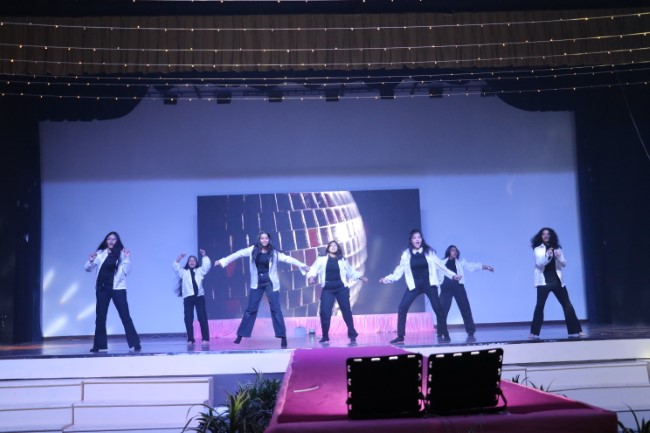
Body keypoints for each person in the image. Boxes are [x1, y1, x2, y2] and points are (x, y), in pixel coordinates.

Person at [214, 232, 309, 348]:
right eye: (262, 238)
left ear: (269, 240)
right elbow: (237, 254)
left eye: (266, 238)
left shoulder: (274, 253)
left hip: (270, 283)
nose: (264, 240)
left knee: (276, 309)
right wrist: (222, 261)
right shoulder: (252, 250)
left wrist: (303, 265)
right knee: (251, 309)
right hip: (257, 283)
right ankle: (240, 335)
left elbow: (289, 259)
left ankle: (282, 337)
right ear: (259, 239)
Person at [379, 229, 461, 344]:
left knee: (438, 308)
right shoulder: (406, 254)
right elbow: (399, 270)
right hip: (415, 285)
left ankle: (445, 333)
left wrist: (453, 275)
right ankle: (400, 336)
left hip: (429, 284)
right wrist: (388, 278)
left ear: (421, 239)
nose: (417, 240)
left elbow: (440, 266)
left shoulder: (429, 252)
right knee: (402, 307)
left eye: (419, 237)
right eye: (414, 238)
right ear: (411, 240)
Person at [84, 231, 141, 353]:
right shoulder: (100, 254)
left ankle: (135, 343)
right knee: (100, 317)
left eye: (113, 239)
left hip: (118, 288)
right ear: (106, 241)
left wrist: (127, 258)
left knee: (125, 315)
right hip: (102, 289)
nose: (111, 241)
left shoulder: (122, 254)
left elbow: (127, 271)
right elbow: (88, 269)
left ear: (117, 241)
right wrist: (90, 261)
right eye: (109, 239)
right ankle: (97, 345)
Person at [307, 240, 368, 345]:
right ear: (328, 248)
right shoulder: (321, 259)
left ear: (338, 248)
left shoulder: (342, 260)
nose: (333, 247)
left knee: (346, 311)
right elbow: (313, 269)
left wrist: (361, 277)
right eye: (331, 245)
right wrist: (311, 277)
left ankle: (352, 333)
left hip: (341, 289)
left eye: (335, 245)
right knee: (325, 312)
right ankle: (325, 336)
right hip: (328, 289)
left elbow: (350, 272)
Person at [529, 227, 585, 339]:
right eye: (543, 234)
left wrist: (559, 257)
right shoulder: (537, 249)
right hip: (543, 282)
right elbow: (540, 264)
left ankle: (577, 330)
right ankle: (533, 332)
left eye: (548, 234)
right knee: (539, 306)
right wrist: (548, 255)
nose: (546, 236)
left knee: (567, 305)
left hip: (557, 281)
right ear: (541, 236)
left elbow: (564, 264)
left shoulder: (557, 248)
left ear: (551, 236)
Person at [437, 245, 494, 342]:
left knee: (465, 308)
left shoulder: (460, 262)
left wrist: (487, 267)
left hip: (458, 286)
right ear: (448, 252)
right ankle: (440, 331)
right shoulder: (441, 262)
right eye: (452, 250)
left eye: (456, 251)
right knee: (442, 310)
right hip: (445, 287)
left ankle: (470, 330)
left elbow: (473, 266)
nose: (455, 252)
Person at [173, 248, 211, 348]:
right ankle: (190, 339)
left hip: (199, 297)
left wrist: (204, 255)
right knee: (188, 319)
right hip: (188, 298)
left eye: (194, 261)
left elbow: (207, 266)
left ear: (196, 262)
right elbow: (175, 267)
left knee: (202, 317)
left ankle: (205, 338)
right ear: (188, 263)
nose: (192, 262)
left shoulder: (199, 271)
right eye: (190, 261)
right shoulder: (183, 272)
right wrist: (180, 257)